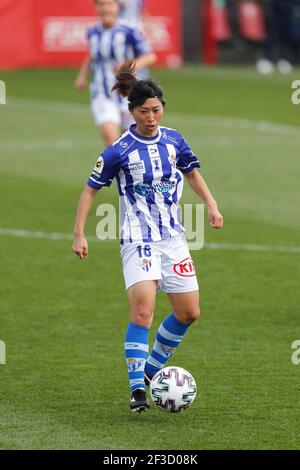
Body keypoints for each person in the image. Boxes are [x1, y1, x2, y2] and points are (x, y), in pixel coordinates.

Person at [72, 60, 224, 412]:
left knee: (189, 312)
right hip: (137, 239)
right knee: (143, 313)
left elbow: (192, 173)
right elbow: (89, 190)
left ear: (162, 108)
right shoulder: (119, 150)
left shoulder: (174, 140)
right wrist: (79, 233)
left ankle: (150, 373)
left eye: (156, 109)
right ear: (132, 111)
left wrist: (212, 204)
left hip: (173, 239)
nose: (151, 116)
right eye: (144, 111)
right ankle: (136, 390)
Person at [74, 0, 156, 146]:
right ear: (96, 7)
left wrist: (128, 66)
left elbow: (150, 56)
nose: (105, 8)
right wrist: (82, 76)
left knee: (137, 144)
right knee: (113, 144)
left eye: (109, 4)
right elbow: (93, 55)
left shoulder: (129, 31)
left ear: (118, 7)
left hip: (129, 95)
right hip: (102, 93)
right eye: (101, 4)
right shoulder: (93, 32)